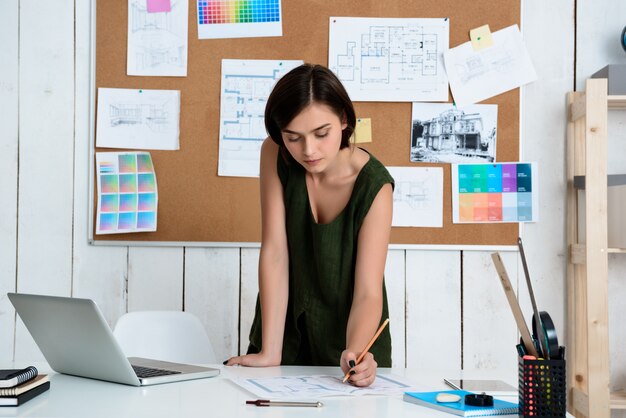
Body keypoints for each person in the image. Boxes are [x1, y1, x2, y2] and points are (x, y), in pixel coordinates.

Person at [224, 64, 394, 387]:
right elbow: (275, 251)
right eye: (293, 137)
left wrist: (356, 354)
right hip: (282, 332)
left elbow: (368, 292)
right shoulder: (274, 153)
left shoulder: (375, 186)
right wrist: (270, 351)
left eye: (321, 133)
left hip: (349, 342)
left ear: (344, 120)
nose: (309, 150)